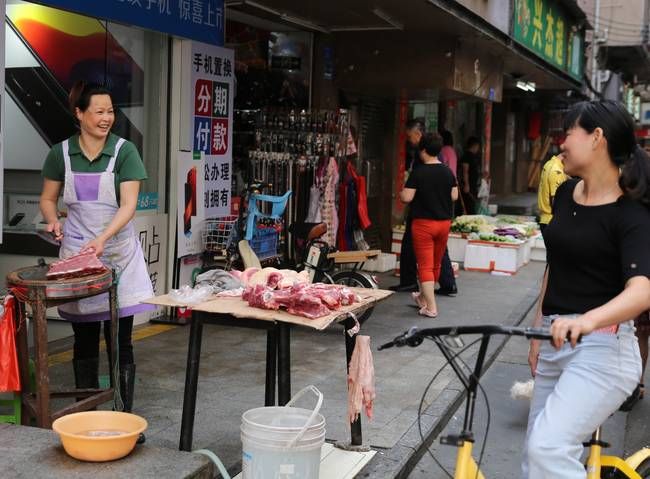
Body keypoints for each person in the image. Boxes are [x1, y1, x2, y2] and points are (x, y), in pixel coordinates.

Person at [523, 100, 650, 478]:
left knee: (547, 449)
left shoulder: (631, 213)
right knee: (534, 460)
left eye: (569, 132)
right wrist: (537, 328)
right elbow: (556, 266)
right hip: (553, 338)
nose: (561, 142)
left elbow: (642, 290)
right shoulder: (564, 194)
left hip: (604, 349)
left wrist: (588, 322)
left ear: (597, 138)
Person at [40, 81, 153, 428]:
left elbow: (129, 204)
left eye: (110, 111)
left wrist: (103, 237)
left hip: (117, 255)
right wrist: (51, 221)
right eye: (99, 111)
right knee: (84, 339)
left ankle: (123, 418)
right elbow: (48, 199)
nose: (107, 118)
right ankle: (83, 418)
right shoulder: (60, 153)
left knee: (120, 341)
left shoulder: (124, 152)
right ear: (79, 113)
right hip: (78, 257)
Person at [399, 133, 458, 317]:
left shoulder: (419, 172)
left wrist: (401, 194)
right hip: (444, 224)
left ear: (423, 150)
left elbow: (407, 197)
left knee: (424, 265)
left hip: (423, 225)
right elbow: (454, 196)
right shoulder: (447, 171)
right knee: (435, 263)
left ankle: (431, 308)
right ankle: (424, 299)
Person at [390, 119, 424, 292]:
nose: (408, 140)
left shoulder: (422, 157)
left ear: (418, 134)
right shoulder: (430, 159)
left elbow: (411, 190)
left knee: (410, 245)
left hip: (420, 210)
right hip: (429, 211)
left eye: (410, 136)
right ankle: (447, 283)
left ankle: (410, 281)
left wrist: (404, 194)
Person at [436, 129, 459, 296]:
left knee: (435, 252)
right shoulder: (452, 152)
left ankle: (446, 283)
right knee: (442, 249)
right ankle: (448, 282)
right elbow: (454, 195)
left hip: (434, 215)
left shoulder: (443, 154)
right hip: (445, 212)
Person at [537, 153, 568, 236]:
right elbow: (556, 200)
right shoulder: (557, 171)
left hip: (545, 219)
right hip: (552, 220)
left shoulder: (549, 164)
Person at [459, 137, 481, 215]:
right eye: (478, 146)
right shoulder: (466, 156)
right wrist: (466, 185)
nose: (478, 148)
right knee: (469, 206)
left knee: (473, 205)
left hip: (473, 185)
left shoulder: (473, 156)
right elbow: (465, 171)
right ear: (475, 145)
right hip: (468, 186)